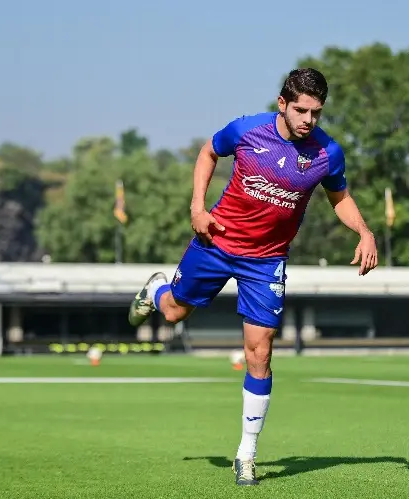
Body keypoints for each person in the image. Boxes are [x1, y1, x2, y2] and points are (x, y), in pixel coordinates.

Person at [127, 68, 378, 484]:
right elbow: (209, 152)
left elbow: (341, 197)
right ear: (282, 104)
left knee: (259, 352)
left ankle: (246, 453)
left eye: (316, 112)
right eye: (301, 110)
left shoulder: (327, 153)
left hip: (266, 261)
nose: (308, 120)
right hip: (217, 241)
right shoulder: (247, 130)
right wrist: (197, 207)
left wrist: (364, 231)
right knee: (173, 313)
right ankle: (156, 291)